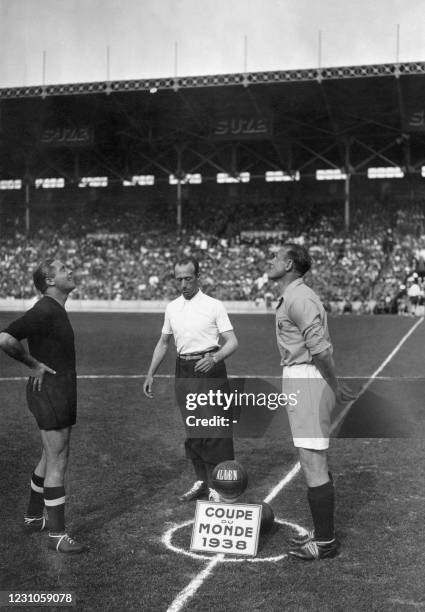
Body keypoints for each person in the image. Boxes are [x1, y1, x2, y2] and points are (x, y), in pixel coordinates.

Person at [268, 244, 355, 561]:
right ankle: (323, 536)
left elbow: (320, 350)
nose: (271, 261)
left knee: (312, 462)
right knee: (313, 458)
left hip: (307, 379)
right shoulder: (294, 295)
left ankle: (326, 543)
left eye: (275, 257)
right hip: (302, 378)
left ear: (289, 263)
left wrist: (334, 383)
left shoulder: (299, 297)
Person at [0, 259, 85, 554]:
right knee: (58, 460)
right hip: (51, 392)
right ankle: (57, 536)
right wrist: (33, 364)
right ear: (49, 280)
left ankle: (34, 517)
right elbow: (6, 338)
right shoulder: (45, 309)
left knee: (49, 456)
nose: (70, 271)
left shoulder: (54, 309)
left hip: (57, 390)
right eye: (64, 269)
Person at [143, 257, 238, 502]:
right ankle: (202, 483)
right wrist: (150, 372)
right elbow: (164, 343)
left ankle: (220, 488)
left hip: (210, 369)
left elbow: (232, 342)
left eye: (188, 278)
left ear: (198, 277)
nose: (183, 283)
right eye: (179, 279)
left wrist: (214, 358)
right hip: (183, 369)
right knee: (194, 428)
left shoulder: (213, 305)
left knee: (215, 429)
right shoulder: (172, 307)